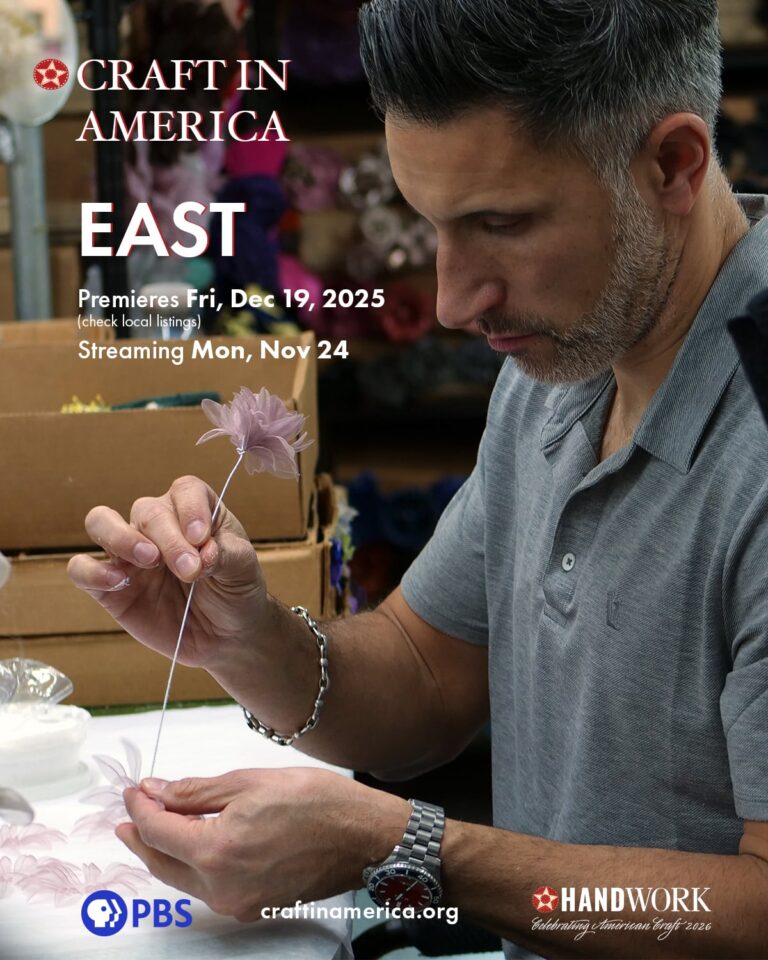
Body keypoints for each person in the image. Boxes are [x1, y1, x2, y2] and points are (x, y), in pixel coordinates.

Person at [68, 1, 768, 956]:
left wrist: (412, 852)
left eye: (501, 223)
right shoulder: (561, 366)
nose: (450, 300)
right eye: (433, 223)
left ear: (674, 165)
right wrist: (249, 639)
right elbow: (427, 673)